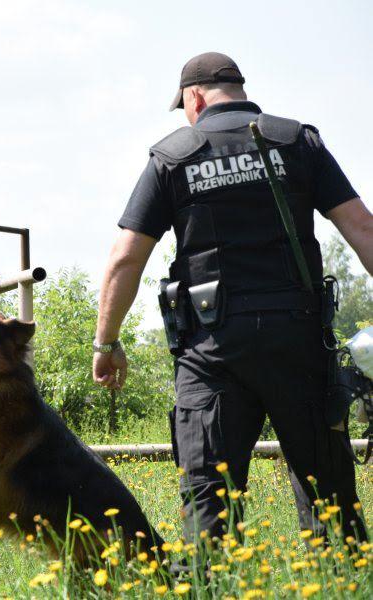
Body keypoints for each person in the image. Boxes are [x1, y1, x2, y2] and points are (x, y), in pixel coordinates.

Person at [92, 52, 372, 543]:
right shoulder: (298, 141)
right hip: (299, 341)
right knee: (330, 499)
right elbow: (362, 228)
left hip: (212, 350)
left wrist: (107, 343)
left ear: (194, 97)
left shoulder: (172, 156)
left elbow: (124, 259)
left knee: (208, 507)